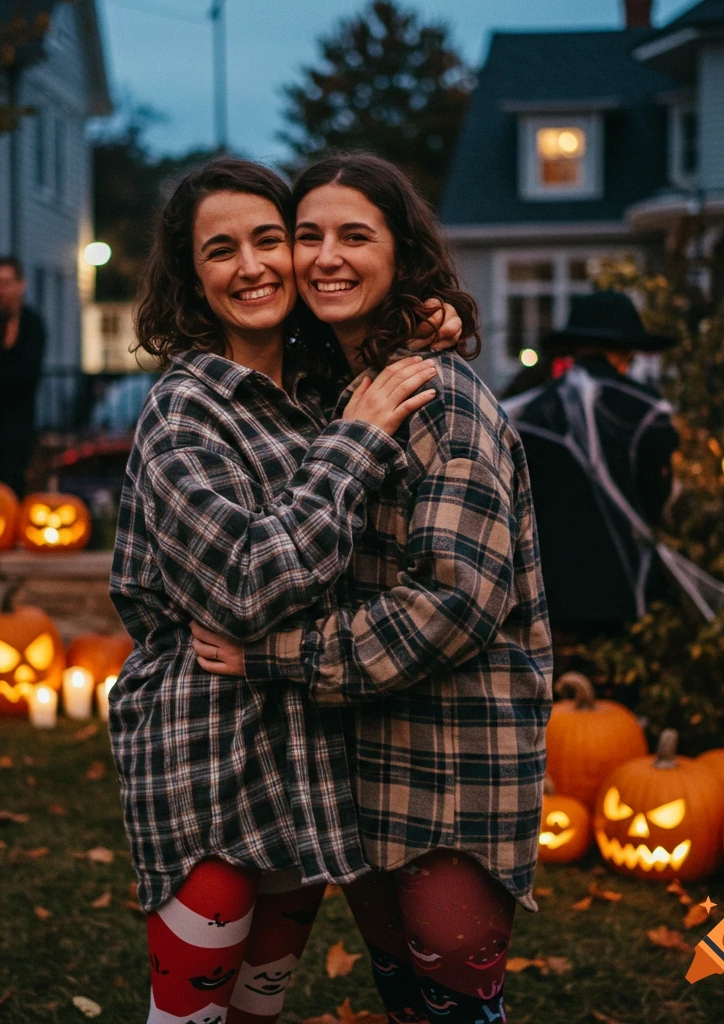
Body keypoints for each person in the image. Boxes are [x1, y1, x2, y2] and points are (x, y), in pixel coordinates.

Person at [192, 154, 553, 1024]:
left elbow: (454, 604)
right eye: (307, 235)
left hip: (453, 766)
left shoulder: (445, 403)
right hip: (363, 755)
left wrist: (270, 655)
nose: (325, 257)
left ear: (402, 254)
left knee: (458, 1008)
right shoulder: (340, 392)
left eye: (356, 235)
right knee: (406, 1002)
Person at [108, 158, 461, 1024]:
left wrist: (423, 322)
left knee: (257, 1013)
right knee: (190, 1016)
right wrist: (356, 440)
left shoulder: (317, 388)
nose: (254, 266)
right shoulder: (184, 412)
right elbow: (243, 584)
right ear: (193, 276)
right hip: (210, 759)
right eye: (221, 250)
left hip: (305, 763)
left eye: (271, 239)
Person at [509, 290, 680, 677]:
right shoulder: (647, 409)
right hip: (623, 585)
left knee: (560, 696)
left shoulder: (529, 409)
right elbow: (658, 501)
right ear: (625, 353)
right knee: (616, 693)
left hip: (550, 586)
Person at [0, 257, 46, 495]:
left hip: (16, 430)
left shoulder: (31, 324)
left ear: (20, 284)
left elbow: (27, 373)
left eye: (5, 283)